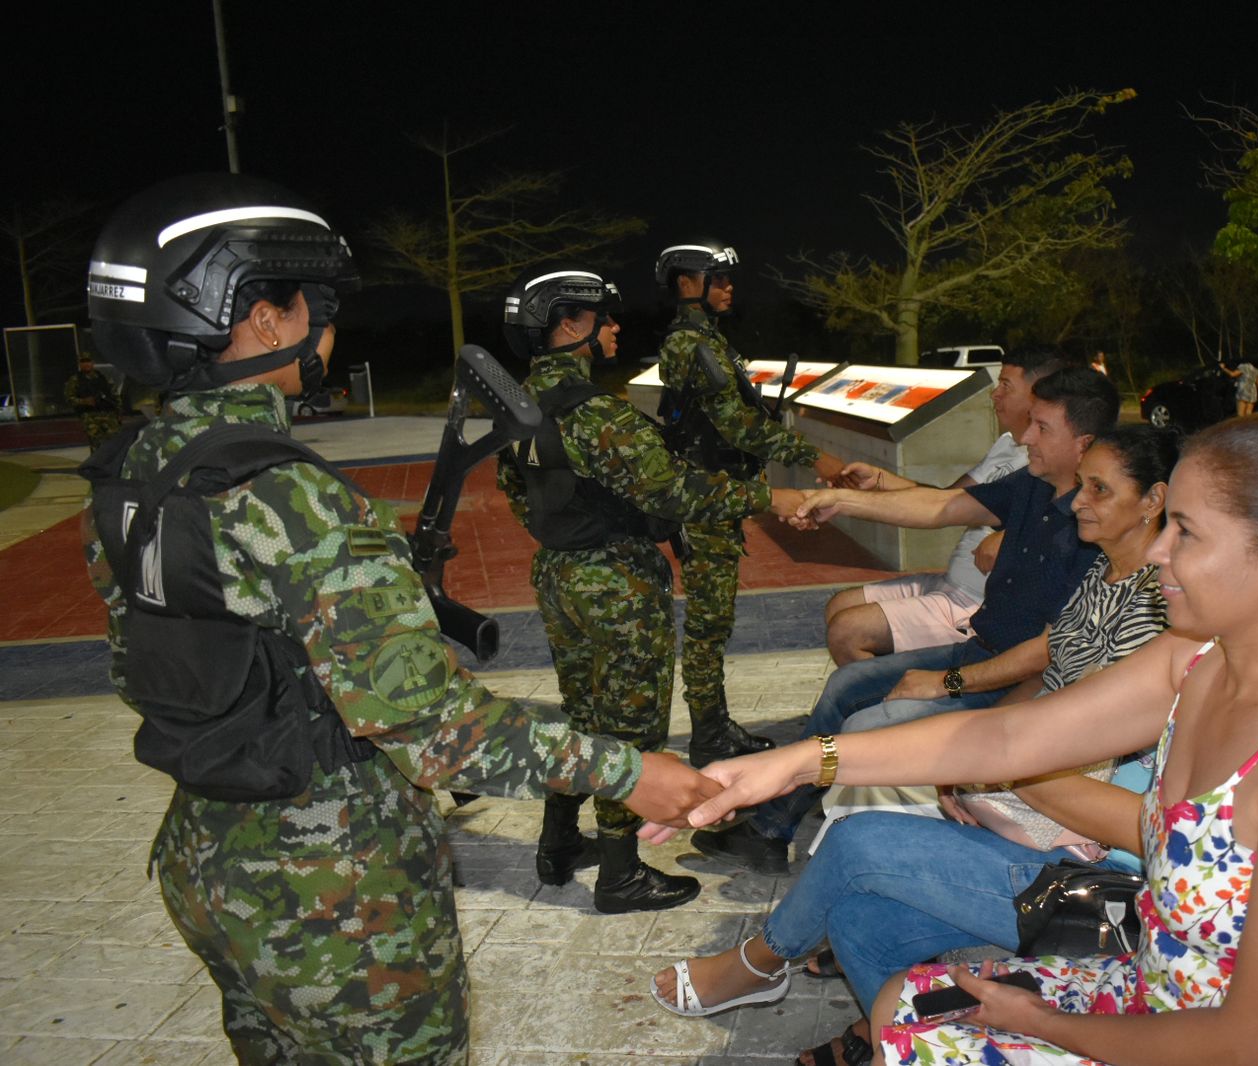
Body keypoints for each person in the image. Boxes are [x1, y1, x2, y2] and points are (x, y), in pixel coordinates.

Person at [80, 175, 721, 1064]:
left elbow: (176, 663)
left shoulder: (131, 474)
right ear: (264, 319)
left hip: (206, 862)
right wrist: (623, 770)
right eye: (318, 304)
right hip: (337, 893)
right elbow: (431, 728)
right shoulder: (288, 493)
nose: (329, 326)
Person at [650, 410, 1258, 1066]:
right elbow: (1005, 743)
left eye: (1185, 532)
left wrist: (1040, 1022)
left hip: (1238, 1048)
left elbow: (1255, 1042)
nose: (1162, 555)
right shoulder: (1202, 661)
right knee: (906, 1001)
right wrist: (791, 763)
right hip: (1163, 999)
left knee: (929, 1031)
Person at [651, 425, 1178, 1065]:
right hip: (1061, 807)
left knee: (860, 836)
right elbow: (1044, 694)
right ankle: (890, 1038)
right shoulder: (1119, 582)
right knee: (856, 921)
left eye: (1190, 533)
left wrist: (994, 773)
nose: (1075, 502)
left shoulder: (1179, 632)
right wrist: (975, 763)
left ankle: (760, 964)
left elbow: (1140, 820)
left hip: (1107, 886)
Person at [688, 365, 1120, 875]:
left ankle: (858, 861)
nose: (1025, 436)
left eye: (1041, 427)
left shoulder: (1095, 526)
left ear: (1083, 441)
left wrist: (944, 682)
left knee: (870, 726)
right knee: (849, 684)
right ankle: (773, 827)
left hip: (1016, 682)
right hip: (979, 649)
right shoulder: (1032, 483)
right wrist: (841, 499)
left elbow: (1048, 653)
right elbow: (940, 505)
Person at [494, 265, 807, 914]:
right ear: (571, 325)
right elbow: (669, 491)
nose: (614, 328)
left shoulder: (518, 408)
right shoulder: (597, 414)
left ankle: (558, 844)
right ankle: (621, 872)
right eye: (604, 318)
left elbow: (515, 495)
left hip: (558, 575)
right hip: (618, 583)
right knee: (630, 729)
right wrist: (770, 496)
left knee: (581, 714)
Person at [655, 240, 847, 767]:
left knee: (712, 624)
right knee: (707, 626)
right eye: (717, 279)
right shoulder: (692, 343)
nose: (728, 287)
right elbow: (736, 425)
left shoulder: (707, 341)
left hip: (717, 493)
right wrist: (815, 458)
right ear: (687, 284)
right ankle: (709, 735)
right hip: (707, 501)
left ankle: (712, 727)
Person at [823, 346, 1063, 665]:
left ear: (1039, 394)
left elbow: (1071, 525)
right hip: (951, 585)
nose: (994, 394)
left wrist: (1012, 537)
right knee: (839, 606)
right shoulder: (1007, 446)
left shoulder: (1051, 461)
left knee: (848, 631)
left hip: (977, 606)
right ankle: (886, 695)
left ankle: (895, 699)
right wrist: (879, 481)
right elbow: (948, 500)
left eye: (1006, 385)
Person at [64, 351, 122, 448]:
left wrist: (119, 411)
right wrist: (84, 401)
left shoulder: (103, 378)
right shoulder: (75, 380)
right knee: (97, 445)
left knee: (115, 443)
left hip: (109, 415)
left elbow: (114, 395)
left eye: (88, 361)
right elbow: (69, 399)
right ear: (80, 364)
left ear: (93, 363)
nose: (86, 364)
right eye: (83, 361)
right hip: (90, 417)